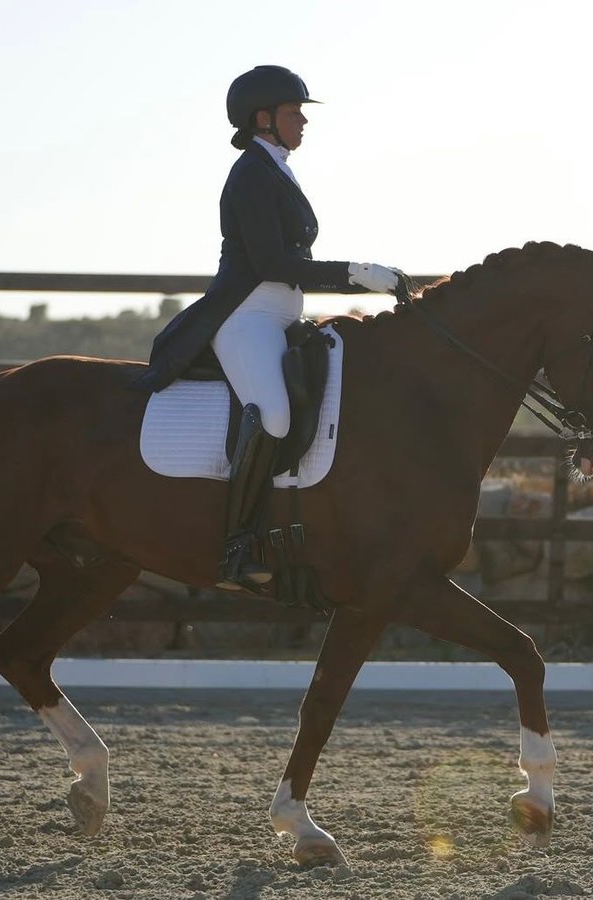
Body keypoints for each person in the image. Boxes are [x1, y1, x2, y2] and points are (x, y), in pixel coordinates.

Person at [133, 65, 404, 591]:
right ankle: (237, 544)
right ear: (263, 119)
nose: (302, 120)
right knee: (275, 414)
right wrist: (354, 274)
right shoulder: (251, 174)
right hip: (245, 317)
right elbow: (273, 262)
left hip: (282, 316)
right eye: (292, 112)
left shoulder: (276, 166)